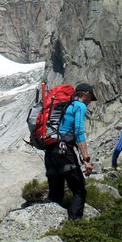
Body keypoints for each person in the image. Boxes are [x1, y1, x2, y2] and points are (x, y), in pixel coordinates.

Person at [47, 82, 95, 219]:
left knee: (55, 194)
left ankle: (50, 226)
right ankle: (75, 228)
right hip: (64, 151)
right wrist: (86, 160)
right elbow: (79, 132)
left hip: (50, 151)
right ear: (86, 94)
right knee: (79, 190)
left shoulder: (65, 105)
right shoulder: (79, 106)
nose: (91, 101)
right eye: (91, 97)